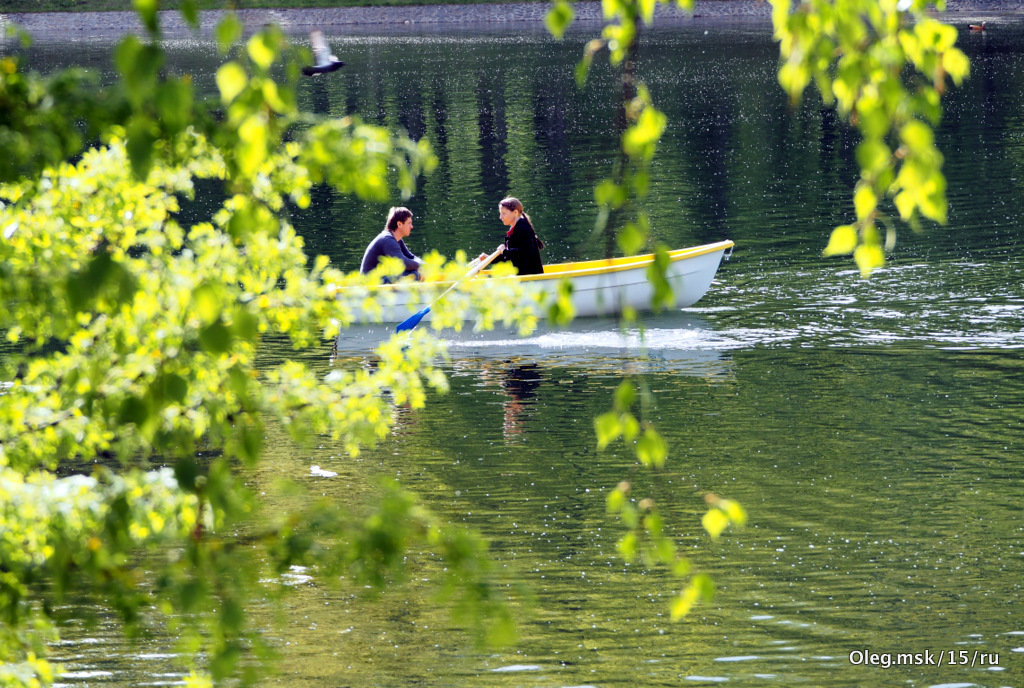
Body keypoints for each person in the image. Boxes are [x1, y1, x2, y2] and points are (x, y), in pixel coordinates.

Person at [360, 207, 423, 281]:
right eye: (409, 223)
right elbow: (403, 263)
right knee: (413, 274)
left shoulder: (397, 239)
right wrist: (422, 266)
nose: (411, 227)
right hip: (369, 282)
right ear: (399, 224)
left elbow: (411, 257)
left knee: (414, 272)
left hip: (381, 277)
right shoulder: (388, 240)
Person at [488, 197, 544, 275]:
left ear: (515, 212)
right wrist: (490, 259)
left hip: (530, 275)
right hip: (522, 274)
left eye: (504, 213)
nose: (500, 217)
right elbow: (509, 257)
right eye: (500, 214)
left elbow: (524, 253)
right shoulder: (514, 230)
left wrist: (504, 251)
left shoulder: (523, 229)